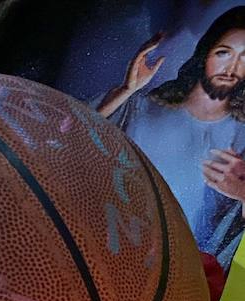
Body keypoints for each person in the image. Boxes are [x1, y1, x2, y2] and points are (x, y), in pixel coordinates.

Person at [100, 7, 245, 263]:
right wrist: (126, 90)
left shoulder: (240, 136)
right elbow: (70, 136)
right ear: (206, 52)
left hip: (174, 270)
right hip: (105, 242)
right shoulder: (143, 107)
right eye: (224, 53)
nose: (232, 67)